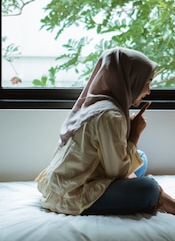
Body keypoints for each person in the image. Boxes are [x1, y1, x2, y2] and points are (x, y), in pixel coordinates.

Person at [35, 47, 160, 215]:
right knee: (150, 189)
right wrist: (135, 133)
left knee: (141, 158)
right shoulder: (111, 116)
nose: (148, 91)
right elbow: (117, 172)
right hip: (72, 193)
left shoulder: (96, 103)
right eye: (147, 83)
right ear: (131, 81)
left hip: (61, 183)